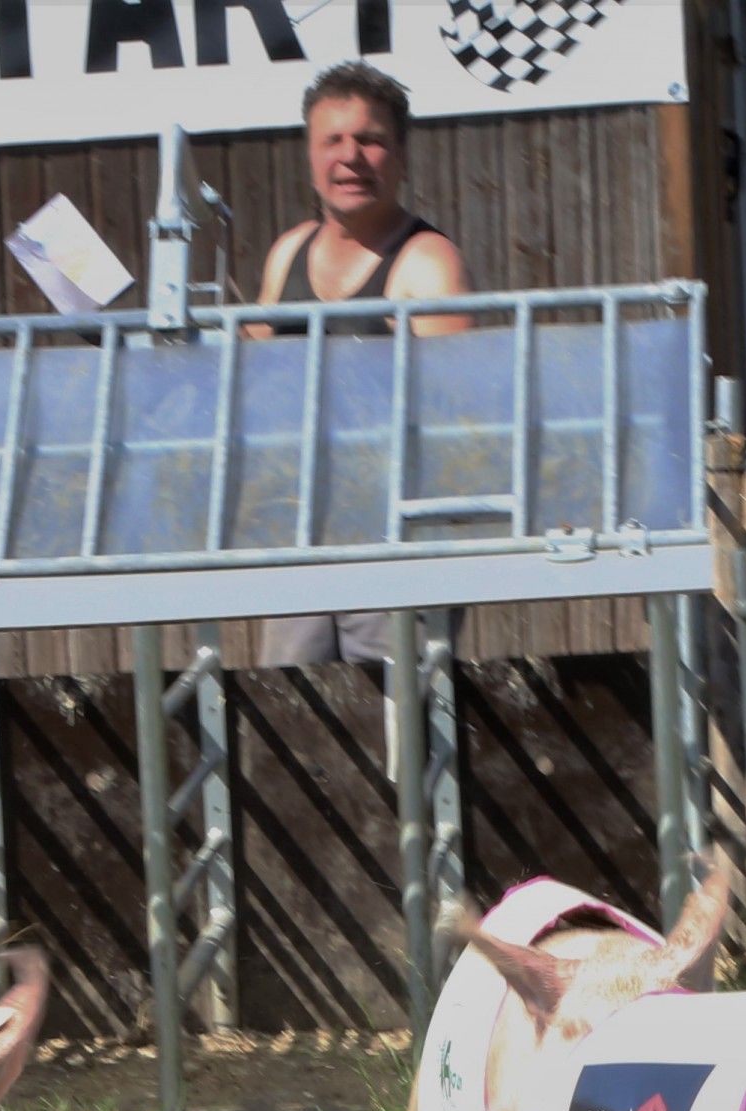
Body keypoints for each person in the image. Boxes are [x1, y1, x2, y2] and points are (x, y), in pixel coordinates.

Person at [253, 62, 472, 667]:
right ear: (310, 154)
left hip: (393, 539)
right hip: (298, 530)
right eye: (333, 141)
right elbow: (251, 375)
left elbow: (456, 415)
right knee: (287, 714)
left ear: (399, 155)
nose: (351, 157)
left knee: (394, 723)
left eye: (370, 140)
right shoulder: (287, 253)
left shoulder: (428, 264)